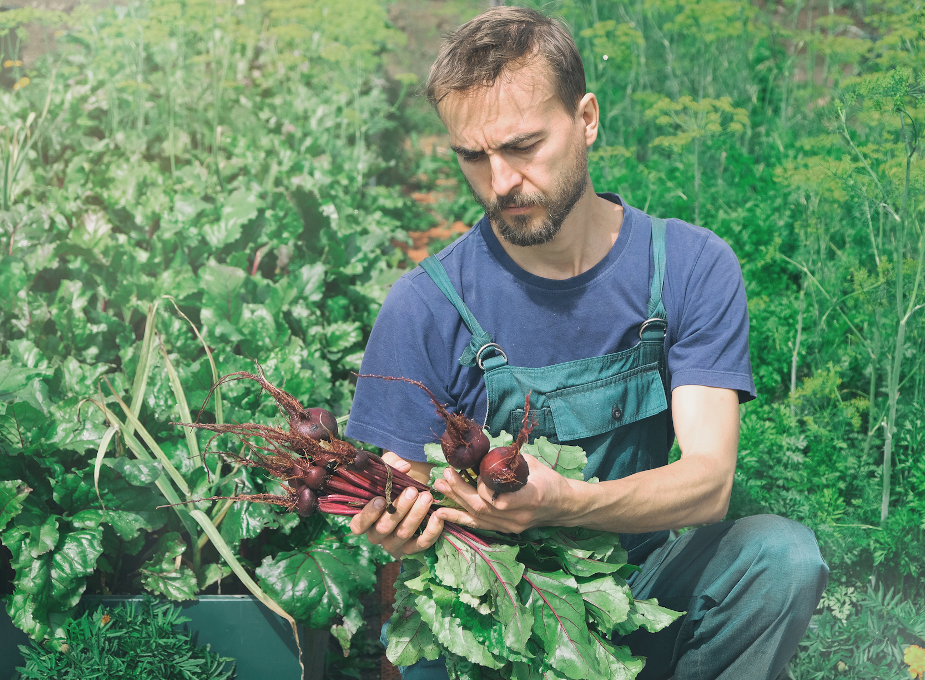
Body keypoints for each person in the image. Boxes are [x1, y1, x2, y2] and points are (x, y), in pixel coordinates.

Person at [345, 6, 827, 679]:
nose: (502, 181)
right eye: (473, 158)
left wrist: (569, 504)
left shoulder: (686, 267)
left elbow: (709, 482)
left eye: (522, 146)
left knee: (783, 559)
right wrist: (395, 524)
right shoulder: (425, 305)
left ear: (588, 120)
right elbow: (405, 491)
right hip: (503, 615)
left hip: (639, 594)